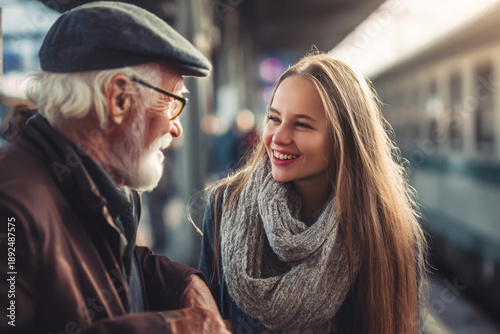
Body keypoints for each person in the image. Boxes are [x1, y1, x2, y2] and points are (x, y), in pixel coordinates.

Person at [0, 2, 230, 333]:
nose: (176, 128)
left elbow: (114, 268)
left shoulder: (101, 181)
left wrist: (181, 285)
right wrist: (169, 329)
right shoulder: (10, 209)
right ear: (119, 100)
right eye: (174, 102)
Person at [199, 53, 428, 334]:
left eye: (302, 124)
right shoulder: (225, 206)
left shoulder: (385, 230)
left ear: (343, 138)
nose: (278, 137)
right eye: (274, 118)